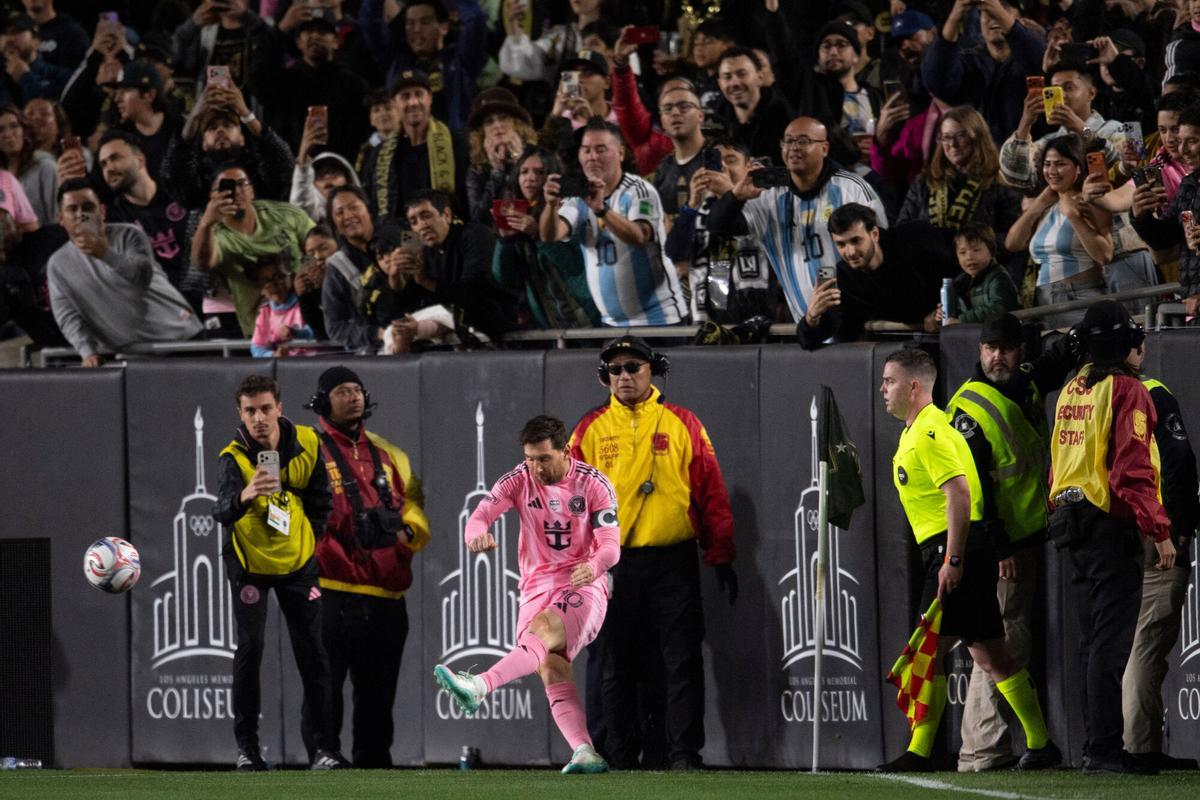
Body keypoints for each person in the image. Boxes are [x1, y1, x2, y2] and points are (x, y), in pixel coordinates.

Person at [877, 347, 1060, 773]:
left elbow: (959, 493)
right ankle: (1040, 743)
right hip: (956, 549)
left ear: (914, 386)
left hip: (954, 548)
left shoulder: (930, 432)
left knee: (927, 652)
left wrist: (953, 559)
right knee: (990, 655)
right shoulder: (917, 429)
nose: (883, 389)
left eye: (889, 381)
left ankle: (921, 752)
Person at [570, 334, 737, 770]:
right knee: (613, 665)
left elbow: (710, 492)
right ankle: (619, 756)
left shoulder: (683, 422)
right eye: (615, 369)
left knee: (681, 660)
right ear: (604, 376)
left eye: (633, 367)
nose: (624, 376)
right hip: (611, 565)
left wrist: (720, 553)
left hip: (672, 561)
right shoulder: (588, 430)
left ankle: (683, 755)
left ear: (653, 370)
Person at [435, 414, 619, 775]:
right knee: (550, 668)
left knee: (543, 629)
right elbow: (480, 514)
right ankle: (584, 750)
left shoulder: (594, 484)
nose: (535, 467)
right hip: (535, 586)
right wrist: (475, 533)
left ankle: (480, 685)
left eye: (544, 459)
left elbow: (611, 547)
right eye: (530, 458)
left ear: (565, 451)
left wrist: (595, 566)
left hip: (583, 583)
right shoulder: (519, 478)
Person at [1047, 300, 1175, 774]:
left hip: (1071, 522)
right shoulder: (1128, 390)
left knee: (1090, 641)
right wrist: (1158, 530)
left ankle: (1093, 744)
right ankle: (1103, 749)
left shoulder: (1071, 389)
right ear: (1126, 345)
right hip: (1108, 523)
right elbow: (1132, 469)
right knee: (1110, 641)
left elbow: (1056, 461)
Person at [943, 314, 1072, 771]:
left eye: (1006, 347)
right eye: (989, 347)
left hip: (1023, 535)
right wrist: (1000, 548)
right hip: (997, 545)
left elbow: (1050, 366)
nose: (997, 356)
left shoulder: (1023, 384)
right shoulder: (969, 408)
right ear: (978, 351)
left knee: (1004, 639)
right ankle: (981, 750)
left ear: (1022, 350)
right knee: (1002, 642)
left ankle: (986, 748)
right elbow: (971, 489)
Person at [211, 374, 347, 772]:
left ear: (279, 409)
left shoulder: (307, 442)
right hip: (250, 567)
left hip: (298, 565)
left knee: (314, 654)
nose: (259, 418)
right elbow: (220, 510)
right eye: (250, 411)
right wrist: (245, 494)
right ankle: (248, 751)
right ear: (240, 413)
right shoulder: (233, 457)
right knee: (250, 650)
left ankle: (324, 750)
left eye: (266, 408)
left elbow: (322, 499)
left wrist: (309, 541)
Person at [303, 366, 431, 768]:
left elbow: (412, 501)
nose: (353, 397)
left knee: (379, 689)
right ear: (323, 401)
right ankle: (324, 753)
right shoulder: (309, 449)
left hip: (385, 589)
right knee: (325, 683)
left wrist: (409, 532)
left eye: (357, 390)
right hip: (330, 586)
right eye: (342, 391)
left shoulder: (389, 453)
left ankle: (374, 763)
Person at [706, 116, 888, 326]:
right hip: (807, 323)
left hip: (859, 320)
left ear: (825, 148)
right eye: (788, 141)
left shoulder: (852, 188)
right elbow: (719, 227)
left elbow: (882, 247)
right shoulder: (767, 196)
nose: (794, 148)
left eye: (803, 141)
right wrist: (735, 196)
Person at [1121, 336, 1200, 772]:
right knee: (1146, 645)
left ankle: (1105, 747)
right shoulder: (1150, 392)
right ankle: (1138, 748)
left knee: (1112, 641)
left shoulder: (1083, 392)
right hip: (1154, 533)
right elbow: (1177, 462)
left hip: (1106, 536)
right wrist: (1179, 526)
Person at [540, 118, 685, 327]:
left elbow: (639, 237)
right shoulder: (577, 198)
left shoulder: (639, 190)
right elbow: (550, 235)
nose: (592, 157)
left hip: (659, 320)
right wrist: (550, 206)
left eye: (601, 150)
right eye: (586, 150)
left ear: (621, 153)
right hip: (612, 325)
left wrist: (601, 210)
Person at [46, 179, 201, 367]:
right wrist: (88, 352)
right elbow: (68, 316)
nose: (81, 215)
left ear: (101, 211)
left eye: (88, 207)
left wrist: (104, 253)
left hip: (184, 339)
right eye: (72, 209)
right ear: (60, 218)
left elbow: (142, 276)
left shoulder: (129, 234)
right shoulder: (57, 264)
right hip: (136, 357)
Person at [798, 204, 949, 348]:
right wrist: (812, 317)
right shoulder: (845, 279)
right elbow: (822, 335)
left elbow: (966, 269)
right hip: (910, 349)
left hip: (962, 334)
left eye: (856, 240)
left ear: (875, 234)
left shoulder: (915, 237)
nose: (850, 252)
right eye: (841, 244)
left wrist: (946, 309)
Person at [667, 138, 780, 326]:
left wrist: (730, 193)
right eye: (716, 161)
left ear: (749, 166)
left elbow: (733, 225)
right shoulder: (700, 207)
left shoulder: (764, 201)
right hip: (709, 317)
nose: (723, 167)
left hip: (756, 318)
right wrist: (691, 205)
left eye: (731, 160)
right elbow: (675, 253)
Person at [192, 164, 315, 336]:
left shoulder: (285, 215)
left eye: (242, 183)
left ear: (252, 191)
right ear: (212, 197)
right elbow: (202, 264)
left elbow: (319, 248)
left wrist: (304, 275)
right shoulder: (213, 235)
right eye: (226, 187)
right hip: (262, 333)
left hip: (307, 323)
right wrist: (206, 223)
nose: (236, 191)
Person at [1004, 134, 1112, 328]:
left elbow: (1104, 255)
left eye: (1060, 164)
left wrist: (1073, 216)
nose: (1052, 171)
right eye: (1047, 164)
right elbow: (1012, 243)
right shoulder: (1047, 205)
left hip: (1079, 296)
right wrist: (1041, 201)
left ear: (1078, 167)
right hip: (1044, 299)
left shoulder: (1090, 200)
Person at [492, 147, 600, 329]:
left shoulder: (568, 209)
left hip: (588, 317)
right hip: (552, 324)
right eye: (524, 172)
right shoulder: (515, 214)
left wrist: (538, 234)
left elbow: (572, 267)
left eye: (539, 172)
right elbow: (505, 279)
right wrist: (505, 242)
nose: (530, 178)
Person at [893, 106, 1021, 250]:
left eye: (961, 136)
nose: (953, 144)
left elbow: (1012, 239)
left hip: (980, 267)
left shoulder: (999, 181)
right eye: (946, 137)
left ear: (977, 137)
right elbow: (902, 230)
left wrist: (971, 246)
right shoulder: (925, 181)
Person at [921, 0, 1047, 142]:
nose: (992, 16)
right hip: (981, 160)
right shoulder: (969, 61)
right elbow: (936, 81)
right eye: (985, 12)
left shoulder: (1032, 57)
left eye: (1002, 9)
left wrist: (1001, 16)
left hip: (1030, 156)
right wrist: (955, 17)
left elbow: (1041, 64)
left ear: (1022, 21)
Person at [358, 0, 487, 133]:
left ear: (444, 28)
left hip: (453, 147)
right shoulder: (395, 60)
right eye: (410, 23)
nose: (417, 29)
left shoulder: (461, 60)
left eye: (425, 22)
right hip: (406, 147)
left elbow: (476, 20)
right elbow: (369, 22)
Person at [358, 69, 468, 220]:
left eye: (419, 94)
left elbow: (467, 200)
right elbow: (373, 204)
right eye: (405, 96)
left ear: (430, 98)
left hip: (450, 234)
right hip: (400, 239)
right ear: (395, 104)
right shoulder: (378, 155)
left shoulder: (457, 145)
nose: (413, 102)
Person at [96, 130, 191, 299]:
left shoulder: (179, 192)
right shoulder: (114, 220)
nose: (109, 168)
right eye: (103, 164)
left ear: (140, 160)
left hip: (206, 297)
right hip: (163, 307)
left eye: (115, 158)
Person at [1000, 64, 1121, 194]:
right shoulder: (1048, 142)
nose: (1062, 95)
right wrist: (1025, 123)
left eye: (1069, 88)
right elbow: (1018, 180)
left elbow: (1126, 168)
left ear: (1091, 93)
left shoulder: (1116, 129)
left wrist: (1081, 129)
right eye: (1055, 90)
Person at [464, 87, 536, 226]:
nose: (497, 125)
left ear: (517, 123)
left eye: (503, 118)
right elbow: (479, 220)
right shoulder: (477, 170)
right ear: (481, 132)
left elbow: (543, 206)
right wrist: (497, 173)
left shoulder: (538, 156)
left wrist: (520, 163)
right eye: (489, 121)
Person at [711, 47, 793, 160]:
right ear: (720, 83)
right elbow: (711, 166)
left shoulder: (786, 119)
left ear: (760, 77)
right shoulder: (714, 123)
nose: (734, 83)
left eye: (741, 74)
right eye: (727, 77)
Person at [941, 224, 1020, 325]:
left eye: (976, 250)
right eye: (962, 252)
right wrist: (940, 315)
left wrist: (962, 320)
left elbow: (999, 309)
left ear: (991, 251)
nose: (969, 257)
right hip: (973, 335)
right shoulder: (960, 282)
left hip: (1000, 336)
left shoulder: (998, 277)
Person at [247, 251, 318, 358]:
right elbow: (257, 348)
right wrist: (273, 354)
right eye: (265, 281)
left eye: (279, 277)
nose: (273, 284)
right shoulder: (265, 312)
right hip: (287, 366)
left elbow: (318, 330)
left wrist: (296, 333)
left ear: (290, 277)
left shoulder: (305, 300)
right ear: (260, 289)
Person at [0, 104, 56, 226]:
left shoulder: (46, 167)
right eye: (0, 130)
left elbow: (56, 219)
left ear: (24, 131)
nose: (8, 134)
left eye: (14, 126)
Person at [0, 14, 72, 105]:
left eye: (16, 31)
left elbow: (52, 111)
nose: (9, 38)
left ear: (36, 41)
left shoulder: (62, 76)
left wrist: (25, 78)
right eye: (4, 33)